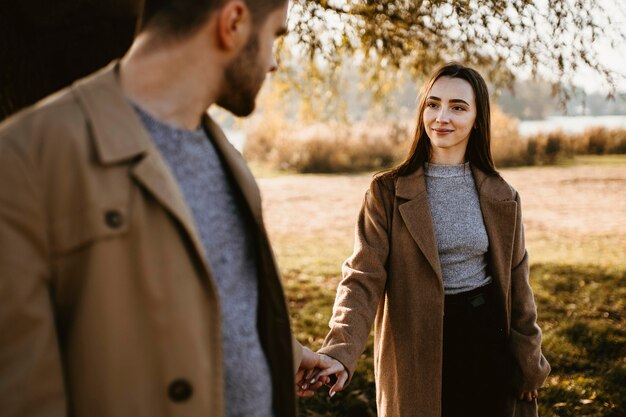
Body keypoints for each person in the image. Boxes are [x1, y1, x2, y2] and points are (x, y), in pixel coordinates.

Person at [0, 1, 334, 416]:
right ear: (232, 23)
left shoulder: (227, 158)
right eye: (274, 37)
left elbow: (213, 297)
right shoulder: (23, 160)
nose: (272, 63)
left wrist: (280, 349)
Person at [306, 63, 551, 417]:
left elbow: (518, 287)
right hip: (417, 348)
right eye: (433, 104)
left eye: (458, 107)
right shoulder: (386, 193)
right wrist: (339, 351)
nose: (442, 117)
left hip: (487, 342)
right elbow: (362, 277)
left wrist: (530, 363)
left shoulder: (503, 196)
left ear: (478, 119)